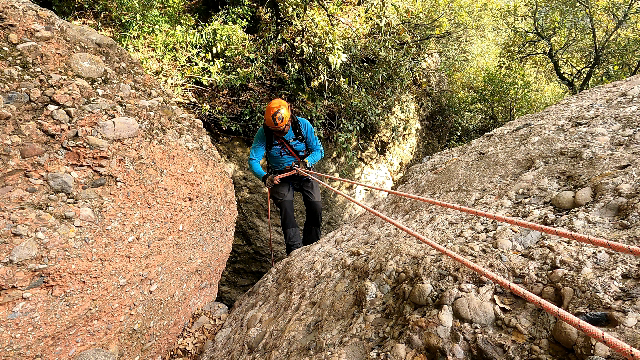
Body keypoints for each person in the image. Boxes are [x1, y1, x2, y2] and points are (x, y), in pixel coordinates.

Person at [248, 99, 324, 255]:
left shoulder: (302, 126)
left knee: (315, 206)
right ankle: (295, 249)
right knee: (286, 208)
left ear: (290, 119)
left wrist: (306, 162)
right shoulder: (264, 133)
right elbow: (254, 160)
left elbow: (318, 150)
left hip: (304, 171)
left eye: (284, 128)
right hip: (280, 176)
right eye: (276, 131)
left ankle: (312, 245)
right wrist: (265, 177)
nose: (281, 132)